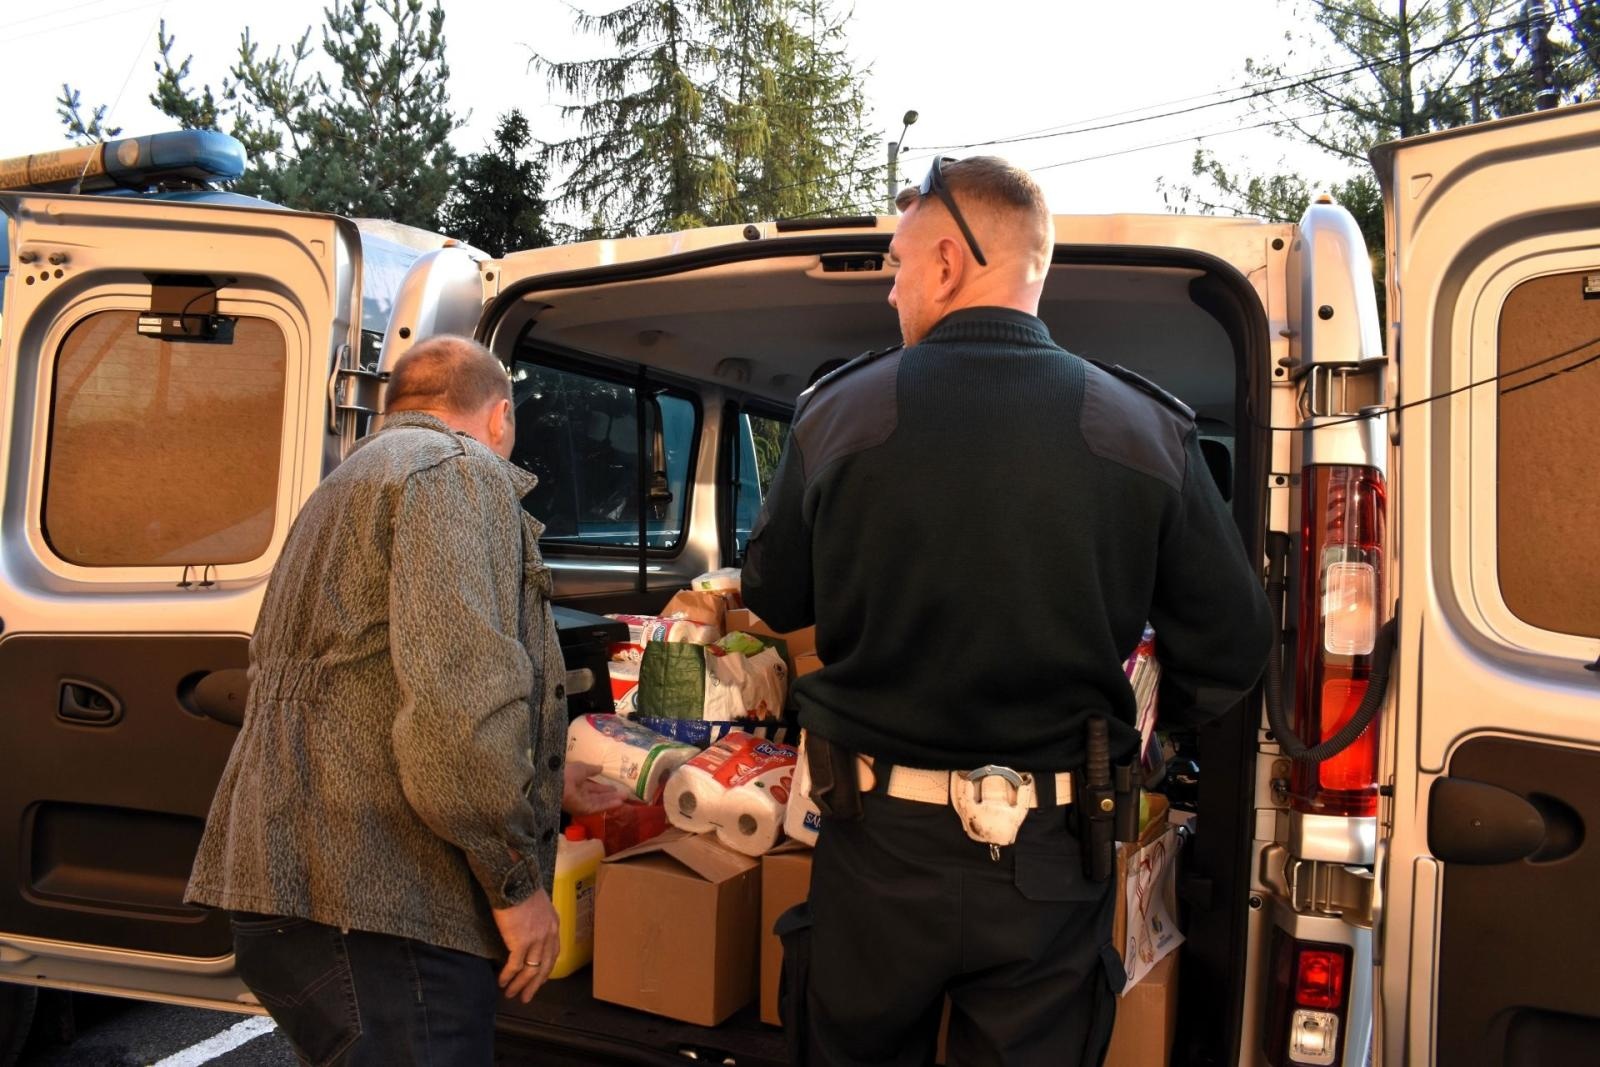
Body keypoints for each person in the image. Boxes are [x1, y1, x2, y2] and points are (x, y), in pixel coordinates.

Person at [743, 157, 1273, 1067]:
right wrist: (1151, 735)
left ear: (949, 263)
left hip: (877, 846)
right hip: (1055, 850)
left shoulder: (838, 415)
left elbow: (775, 593)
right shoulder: (1145, 428)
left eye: (898, 265)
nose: (891, 291)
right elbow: (1234, 642)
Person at [185, 334, 624, 1066]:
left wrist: (545, 785)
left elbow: (363, 686)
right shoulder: (459, 472)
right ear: (500, 416)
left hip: (288, 892)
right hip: (388, 907)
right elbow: (457, 714)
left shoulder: (345, 481)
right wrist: (516, 887)